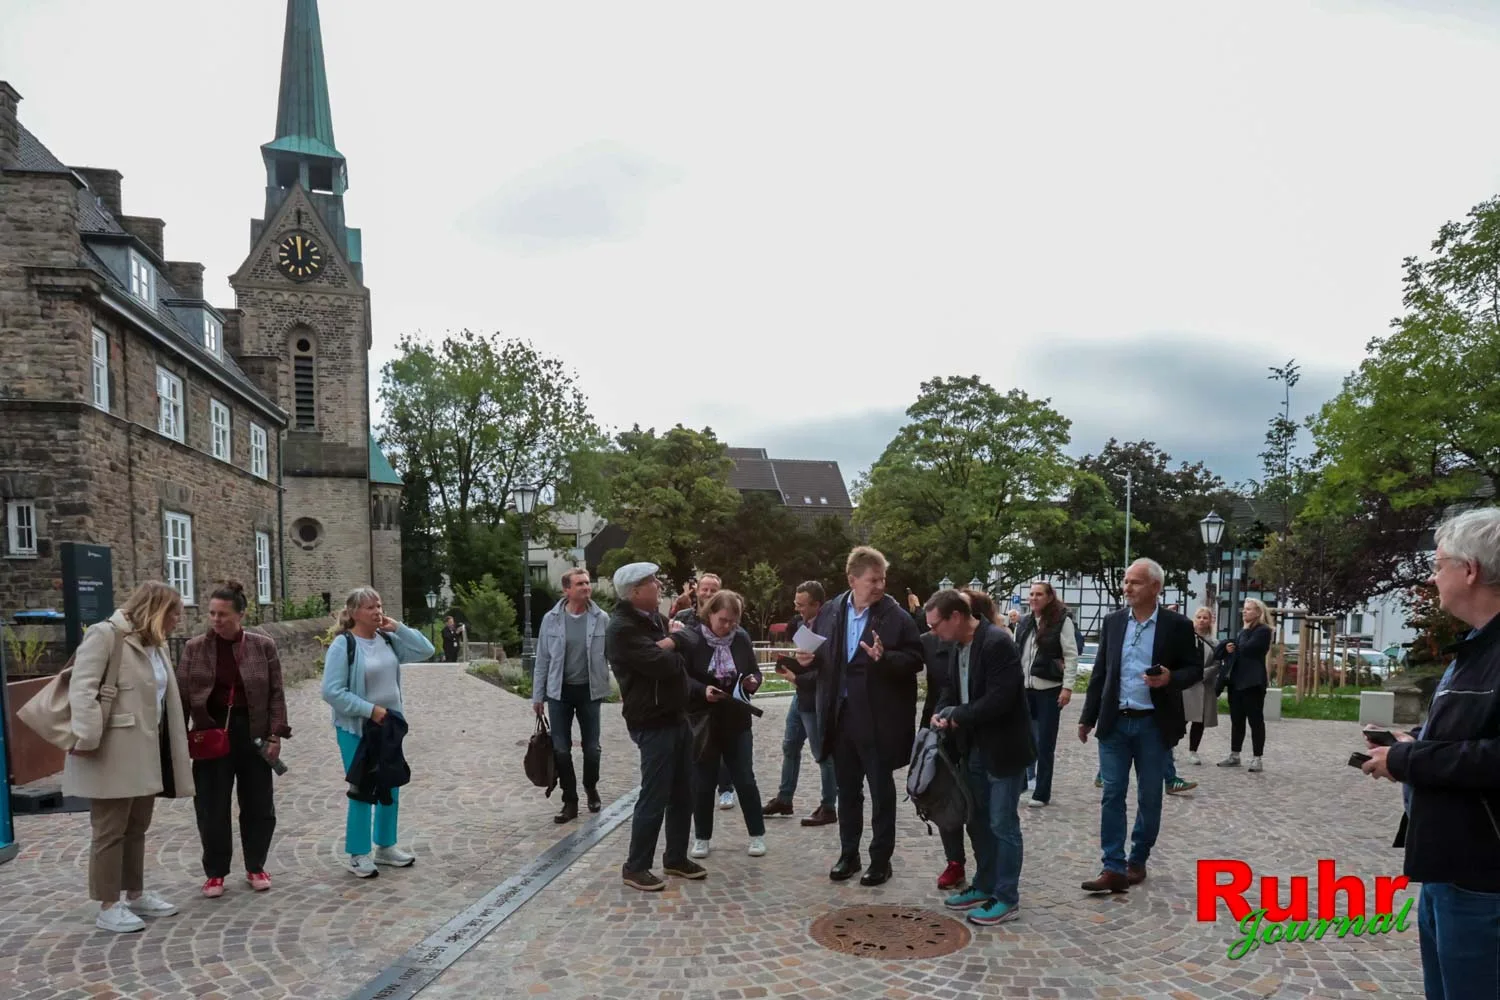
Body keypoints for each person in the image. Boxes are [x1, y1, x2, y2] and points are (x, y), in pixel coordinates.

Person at [1361, 508, 1500, 1000]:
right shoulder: (1477, 645)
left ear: (1470, 570)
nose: (1432, 576)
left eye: (1439, 565)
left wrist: (1407, 761)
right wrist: (1413, 740)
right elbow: (1471, 728)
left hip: (1483, 876)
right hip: (1448, 862)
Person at [63, 581, 194, 933]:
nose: (178, 621)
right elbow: (82, 689)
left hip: (147, 750)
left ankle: (135, 893)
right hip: (111, 750)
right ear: (157, 611)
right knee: (109, 829)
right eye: (175, 614)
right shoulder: (106, 635)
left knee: (137, 826)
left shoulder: (156, 645)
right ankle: (108, 905)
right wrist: (87, 738)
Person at [796, 546, 922, 887]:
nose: (880, 586)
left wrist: (886, 657)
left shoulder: (896, 616)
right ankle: (848, 854)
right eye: (872, 580)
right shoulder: (831, 611)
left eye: (882, 579)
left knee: (881, 791)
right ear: (852, 580)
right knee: (847, 790)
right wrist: (806, 662)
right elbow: (822, 657)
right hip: (840, 716)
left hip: (878, 719)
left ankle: (881, 860)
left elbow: (915, 659)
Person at [1078, 558, 1202, 893]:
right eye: (1125, 581)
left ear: (1155, 587)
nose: (1126, 587)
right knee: (1112, 794)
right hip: (1115, 723)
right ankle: (1112, 866)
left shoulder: (1177, 625)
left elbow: (1194, 670)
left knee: (1149, 797)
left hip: (1153, 725)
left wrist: (1170, 678)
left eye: (1134, 582)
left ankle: (1137, 859)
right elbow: (1101, 672)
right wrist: (1087, 717)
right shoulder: (1113, 621)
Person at [607, 562, 720, 891]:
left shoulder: (653, 620)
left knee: (684, 791)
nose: (659, 585)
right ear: (635, 591)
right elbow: (661, 664)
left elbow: (690, 644)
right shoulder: (622, 628)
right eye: (652, 581)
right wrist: (673, 642)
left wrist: (671, 642)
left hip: (676, 715)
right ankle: (636, 866)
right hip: (651, 720)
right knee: (654, 795)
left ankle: (675, 857)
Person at [927, 588, 1033, 927]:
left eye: (936, 625)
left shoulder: (997, 642)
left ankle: (1007, 898)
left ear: (956, 617)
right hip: (973, 748)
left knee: (1002, 823)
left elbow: (1001, 699)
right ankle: (984, 885)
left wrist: (958, 714)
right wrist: (941, 710)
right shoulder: (957, 645)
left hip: (1004, 749)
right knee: (977, 820)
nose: (934, 632)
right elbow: (950, 688)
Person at [177, 580, 290, 898]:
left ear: (240, 615)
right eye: (212, 613)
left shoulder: (262, 646)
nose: (216, 619)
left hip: (253, 733)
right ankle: (215, 872)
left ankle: (256, 865)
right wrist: (177, 739)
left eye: (223, 614)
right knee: (211, 806)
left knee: (258, 804)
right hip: (211, 733)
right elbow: (181, 696)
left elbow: (276, 693)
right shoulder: (195, 648)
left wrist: (275, 734)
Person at [319, 587, 435, 878]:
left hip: (389, 726)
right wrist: (369, 710)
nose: (377, 611)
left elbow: (427, 650)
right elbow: (332, 691)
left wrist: (399, 628)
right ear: (354, 612)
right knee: (363, 788)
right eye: (370, 607)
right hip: (357, 729)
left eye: (379, 605)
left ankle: (385, 846)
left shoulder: (387, 639)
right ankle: (358, 853)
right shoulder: (343, 645)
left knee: (390, 784)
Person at [679, 590, 768, 859]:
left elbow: (754, 670)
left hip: (736, 718)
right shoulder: (693, 639)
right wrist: (702, 690)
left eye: (732, 621)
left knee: (745, 778)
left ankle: (757, 835)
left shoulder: (740, 638)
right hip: (703, 718)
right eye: (723, 620)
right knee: (703, 781)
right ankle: (702, 837)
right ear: (710, 614)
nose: (727, 626)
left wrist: (753, 681)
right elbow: (681, 678)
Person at [531, 569, 611, 823]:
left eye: (587, 583)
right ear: (566, 590)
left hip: (590, 690)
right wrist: (538, 696)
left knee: (592, 748)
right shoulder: (551, 619)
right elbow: (542, 659)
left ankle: (591, 786)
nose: (586, 587)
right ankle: (570, 800)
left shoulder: (601, 618)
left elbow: (612, 654)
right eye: (580, 584)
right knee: (561, 749)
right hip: (559, 692)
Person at [763, 581, 838, 827]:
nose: (797, 609)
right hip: (800, 697)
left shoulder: (831, 628)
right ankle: (785, 799)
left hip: (816, 699)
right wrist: (793, 663)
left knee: (821, 753)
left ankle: (829, 806)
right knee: (790, 746)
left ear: (817, 604)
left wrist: (796, 678)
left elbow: (828, 671)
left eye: (802, 605)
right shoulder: (801, 625)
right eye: (796, 604)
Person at [1013, 582, 1079, 808]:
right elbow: (1017, 654)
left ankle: (1041, 792)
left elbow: (1071, 655)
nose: (1034, 598)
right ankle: (1020, 783)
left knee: (1045, 744)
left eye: (1039, 594)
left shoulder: (1062, 621)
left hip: (1049, 689)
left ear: (1050, 597)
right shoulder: (1024, 622)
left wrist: (1067, 687)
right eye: (1031, 594)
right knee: (1022, 739)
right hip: (1024, 689)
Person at [674, 572, 735, 809]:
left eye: (713, 590)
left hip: (721, 688)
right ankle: (695, 787)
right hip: (693, 691)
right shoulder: (684, 617)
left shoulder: (727, 616)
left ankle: (725, 788)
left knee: (723, 741)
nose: (708, 593)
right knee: (696, 741)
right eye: (704, 589)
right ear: (697, 590)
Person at [920, 611, 968, 892]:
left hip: (976, 730)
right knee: (943, 797)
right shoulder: (928, 641)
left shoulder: (986, 642)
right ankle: (955, 862)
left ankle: (990, 870)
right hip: (938, 727)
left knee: (979, 802)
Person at [1215, 598, 1274, 772]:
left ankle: (1257, 758)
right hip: (1236, 682)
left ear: (1258, 612)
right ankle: (1235, 754)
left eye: (1248, 609)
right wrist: (1229, 648)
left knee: (1255, 721)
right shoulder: (1243, 631)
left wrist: (1241, 637)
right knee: (1237, 720)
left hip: (1252, 682)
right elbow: (1239, 649)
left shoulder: (1263, 631)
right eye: (1244, 609)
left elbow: (1248, 648)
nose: (1244, 611)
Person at [1180, 606, 1221, 767]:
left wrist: (1203, 674)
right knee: (1181, 718)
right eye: (1199, 617)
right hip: (1187, 685)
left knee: (1199, 721)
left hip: (1204, 685)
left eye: (1205, 617)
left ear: (1210, 621)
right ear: (1194, 619)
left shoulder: (1215, 643)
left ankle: (1193, 751)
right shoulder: (1184, 639)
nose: (1202, 620)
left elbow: (1218, 664)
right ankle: (1171, 746)